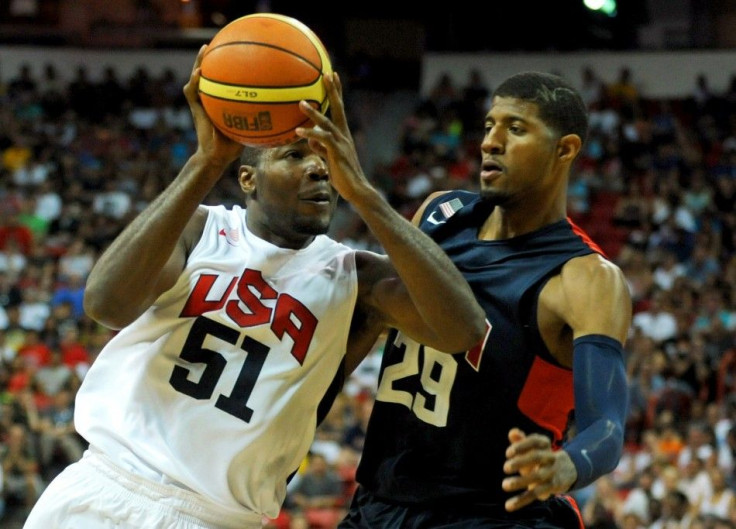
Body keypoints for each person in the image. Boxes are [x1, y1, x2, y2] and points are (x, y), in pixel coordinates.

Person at [23, 44, 485, 529]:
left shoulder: (359, 278)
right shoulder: (198, 229)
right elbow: (106, 304)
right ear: (248, 177)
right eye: (293, 155)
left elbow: (463, 329)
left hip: (221, 518)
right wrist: (205, 161)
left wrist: (364, 193)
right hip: (107, 487)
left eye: (325, 157)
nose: (317, 167)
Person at [339, 71, 633, 528]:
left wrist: (566, 466)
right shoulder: (438, 215)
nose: (491, 142)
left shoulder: (586, 279)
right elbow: (370, 319)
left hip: (492, 515)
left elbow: (607, 429)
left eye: (516, 128)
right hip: (380, 504)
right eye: (490, 125)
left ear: (565, 149)